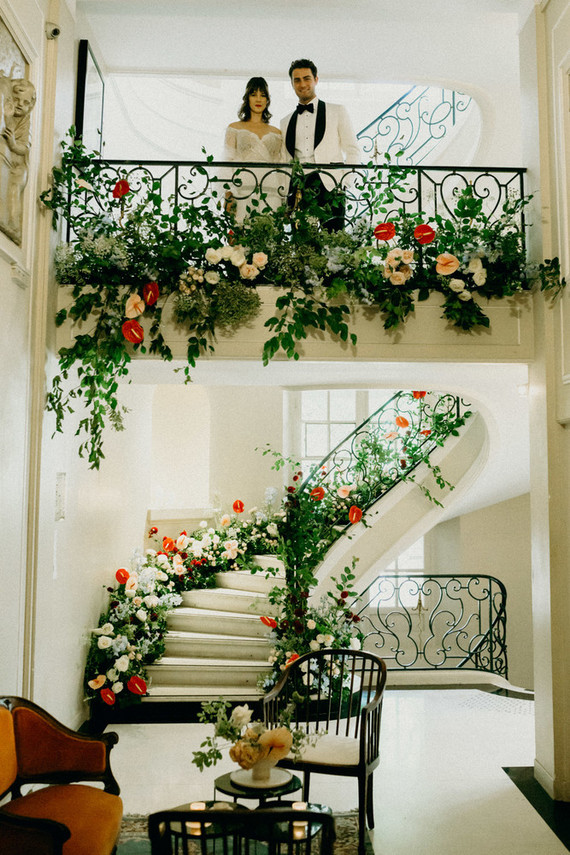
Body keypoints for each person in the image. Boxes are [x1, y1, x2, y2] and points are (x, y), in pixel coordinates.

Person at [281, 59, 360, 230]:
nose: (302, 84)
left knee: (335, 246)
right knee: (303, 245)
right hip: (300, 189)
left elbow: (352, 149)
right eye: (297, 80)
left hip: (331, 185)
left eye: (306, 78)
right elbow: (286, 160)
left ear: (316, 79)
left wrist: (344, 182)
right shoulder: (285, 121)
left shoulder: (337, 111)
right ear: (292, 83)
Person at [222, 77, 284, 222]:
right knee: (241, 232)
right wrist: (229, 192)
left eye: (263, 95)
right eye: (253, 94)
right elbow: (227, 161)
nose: (258, 99)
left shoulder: (277, 132)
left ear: (268, 100)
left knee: (269, 231)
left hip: (270, 187)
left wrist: (284, 196)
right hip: (243, 186)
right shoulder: (234, 128)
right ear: (247, 98)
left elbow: (280, 165)